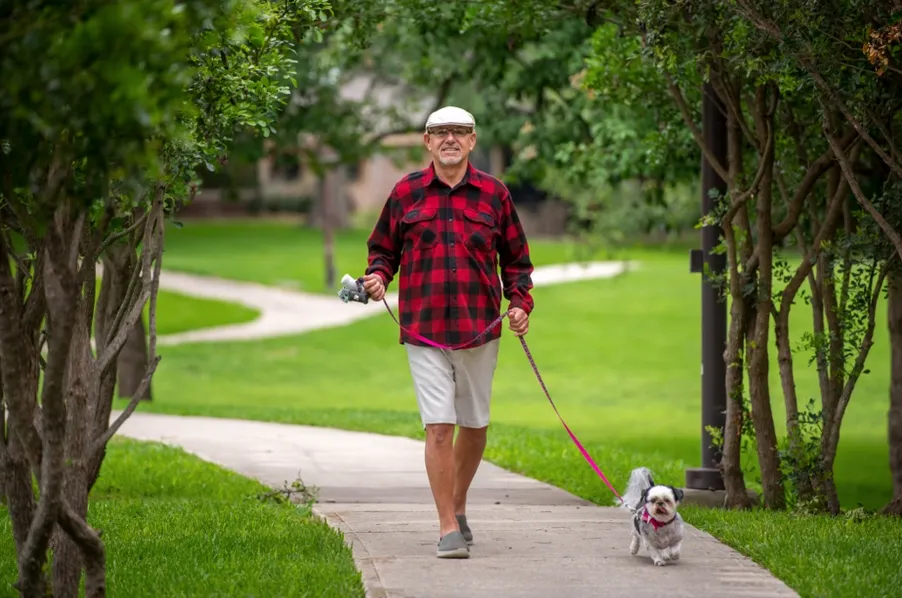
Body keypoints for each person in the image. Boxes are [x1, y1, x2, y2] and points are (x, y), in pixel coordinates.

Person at [362, 105, 535, 559]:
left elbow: (517, 263)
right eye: (441, 133)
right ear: (427, 142)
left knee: (474, 427)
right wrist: (378, 277)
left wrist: (519, 305)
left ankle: (458, 505)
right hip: (424, 330)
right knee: (438, 427)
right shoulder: (406, 192)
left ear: (473, 141)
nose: (450, 139)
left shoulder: (495, 195)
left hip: (481, 329)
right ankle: (446, 527)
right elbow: (382, 250)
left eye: (459, 132)